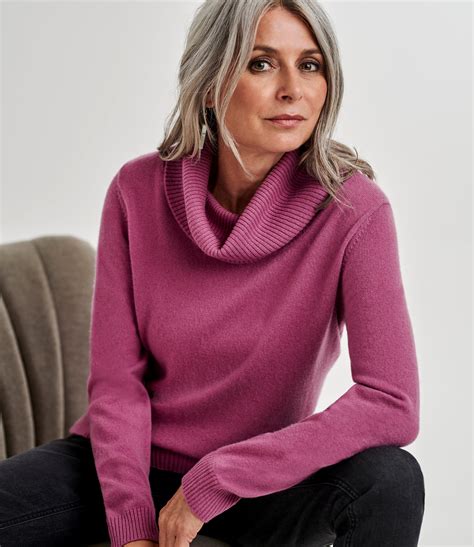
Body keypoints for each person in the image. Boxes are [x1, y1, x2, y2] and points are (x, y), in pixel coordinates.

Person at [0, 1, 425, 546]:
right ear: (208, 83)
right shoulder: (136, 192)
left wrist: (218, 479)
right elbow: (117, 383)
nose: (293, 89)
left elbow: (390, 402)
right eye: (261, 63)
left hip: (258, 484)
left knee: (390, 479)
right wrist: (131, 524)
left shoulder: (354, 210)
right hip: (124, 464)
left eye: (310, 65)